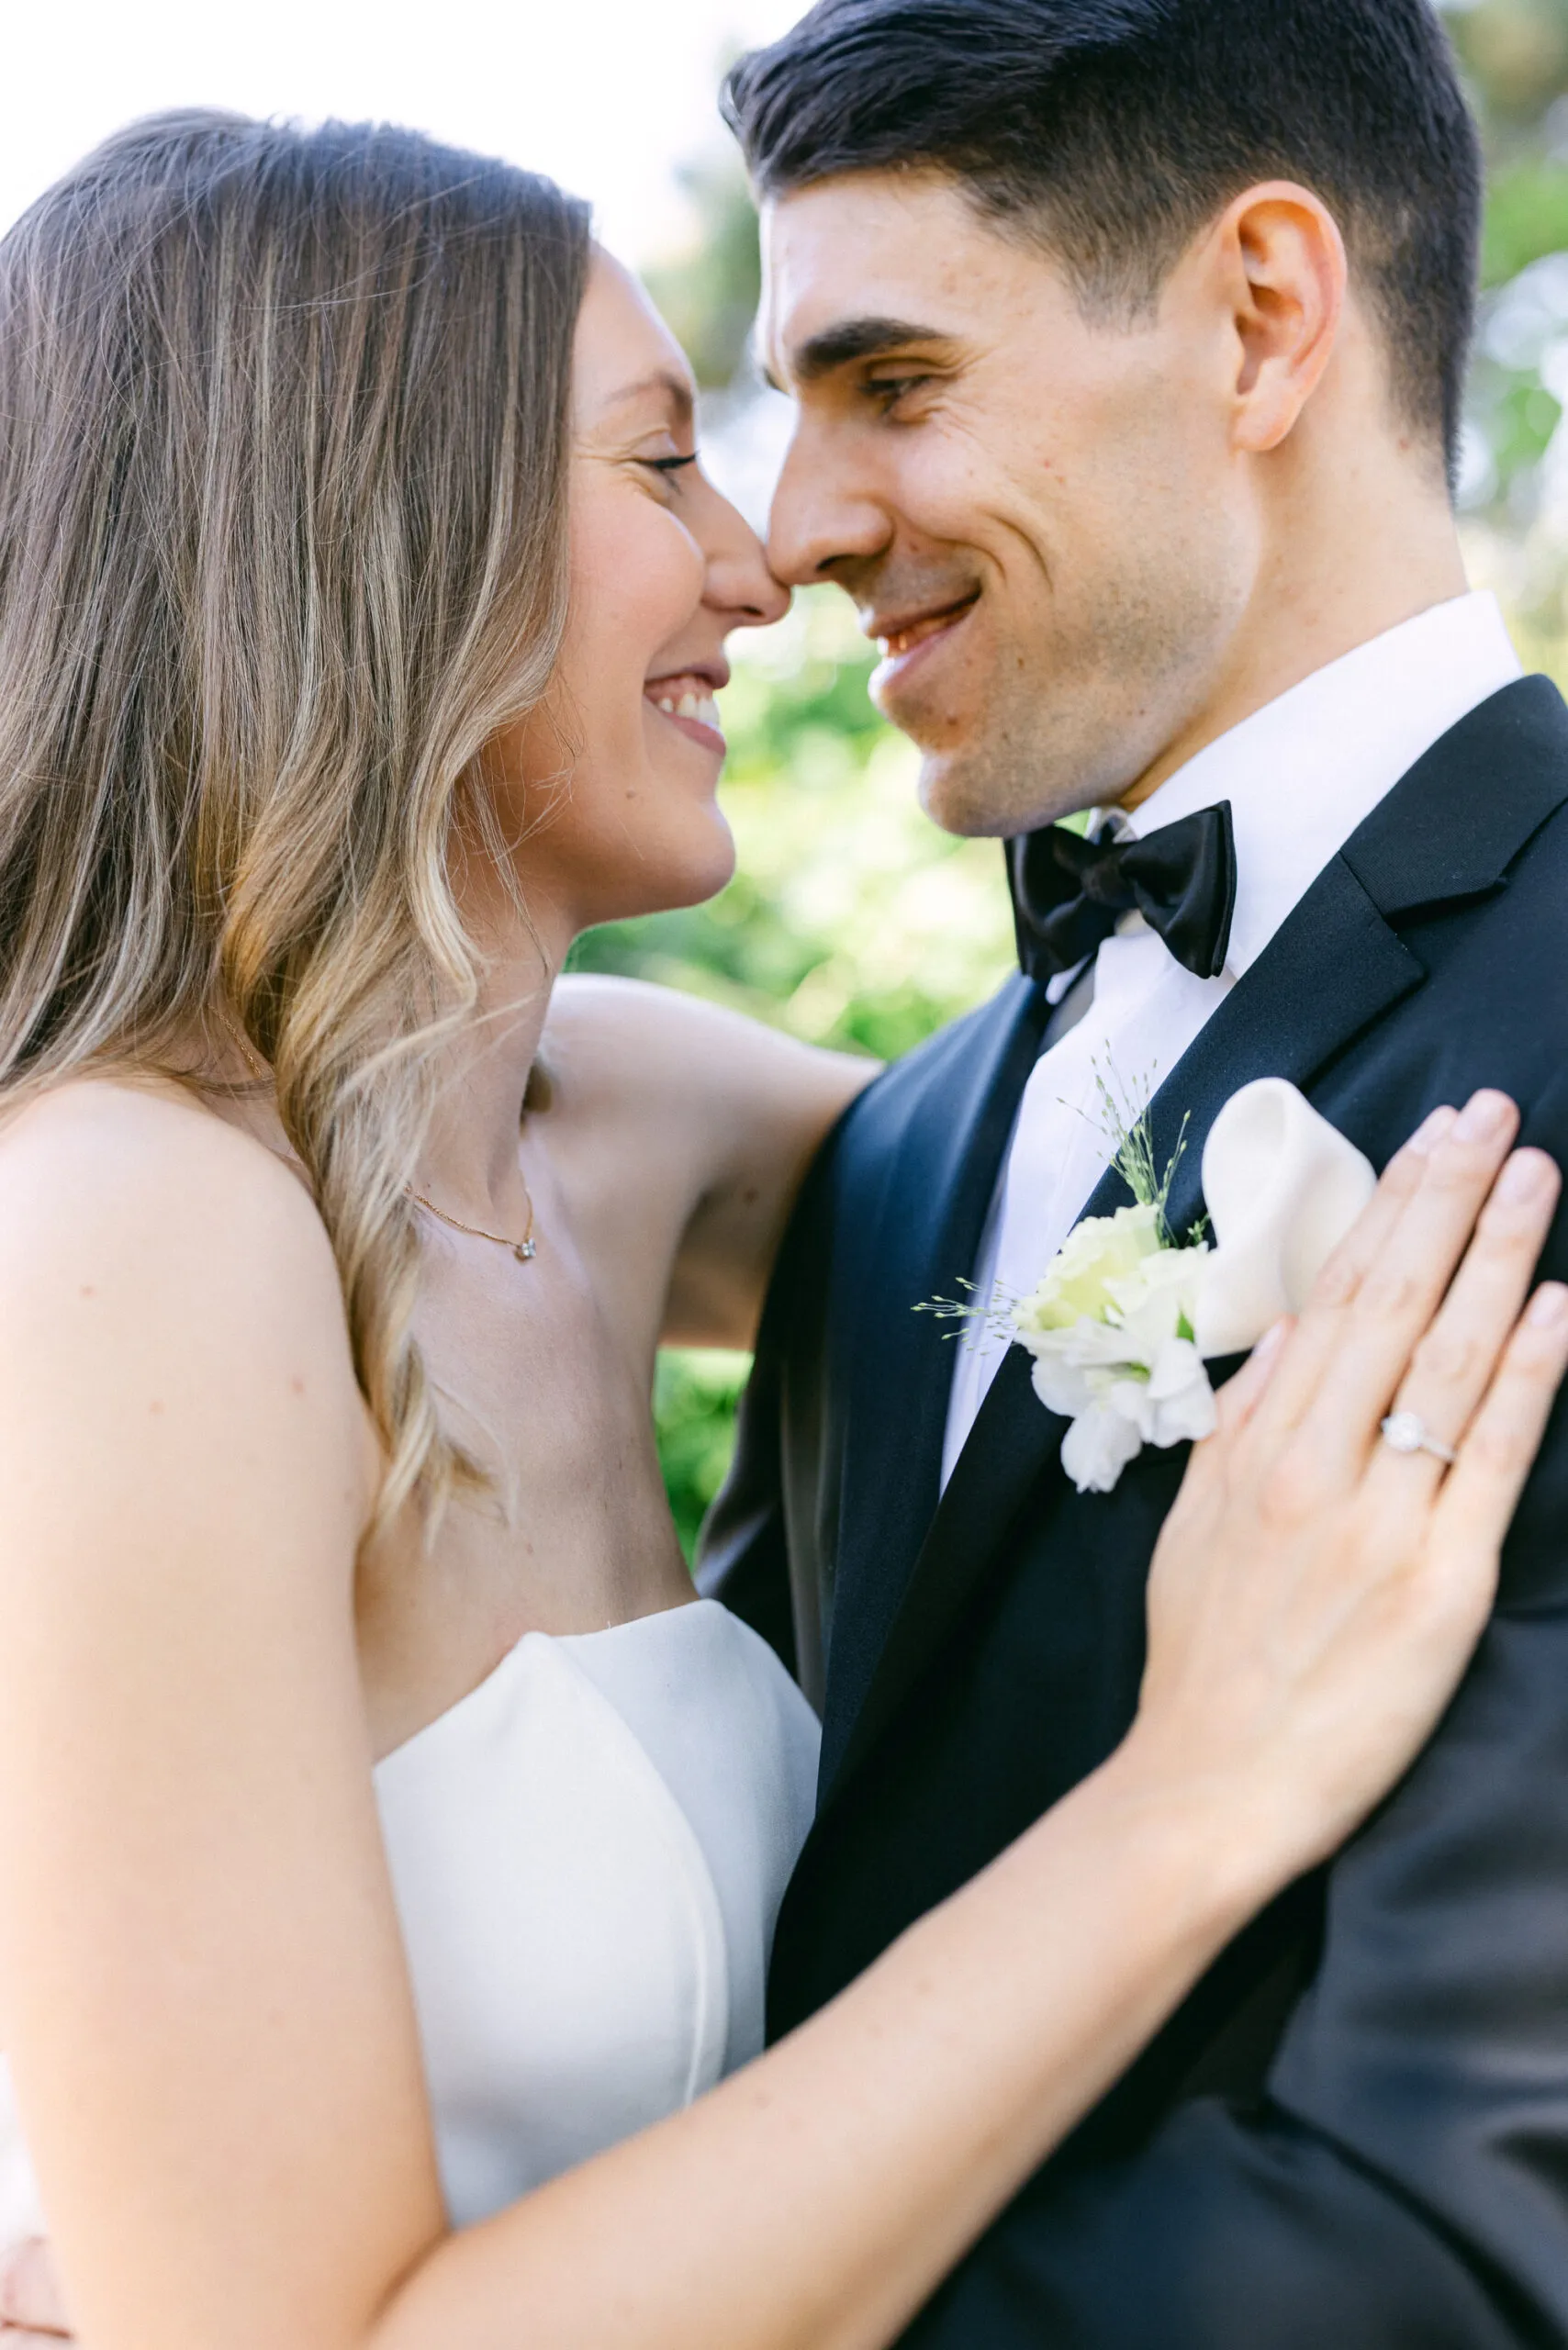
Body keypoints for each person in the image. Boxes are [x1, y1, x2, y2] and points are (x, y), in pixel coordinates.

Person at [0, 95, 1562, 2350]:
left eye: (886, 390)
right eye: (660, 463)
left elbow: (1143, 1140)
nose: (763, 552)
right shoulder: (132, 1221)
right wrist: (1194, 1787)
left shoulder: (626, 1128)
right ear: (366, 529)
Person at [697, 0, 1568, 2341]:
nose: (793, 529)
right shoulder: (889, 1144)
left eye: (890, 382)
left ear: (1262, 321)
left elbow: (1471, 2201)